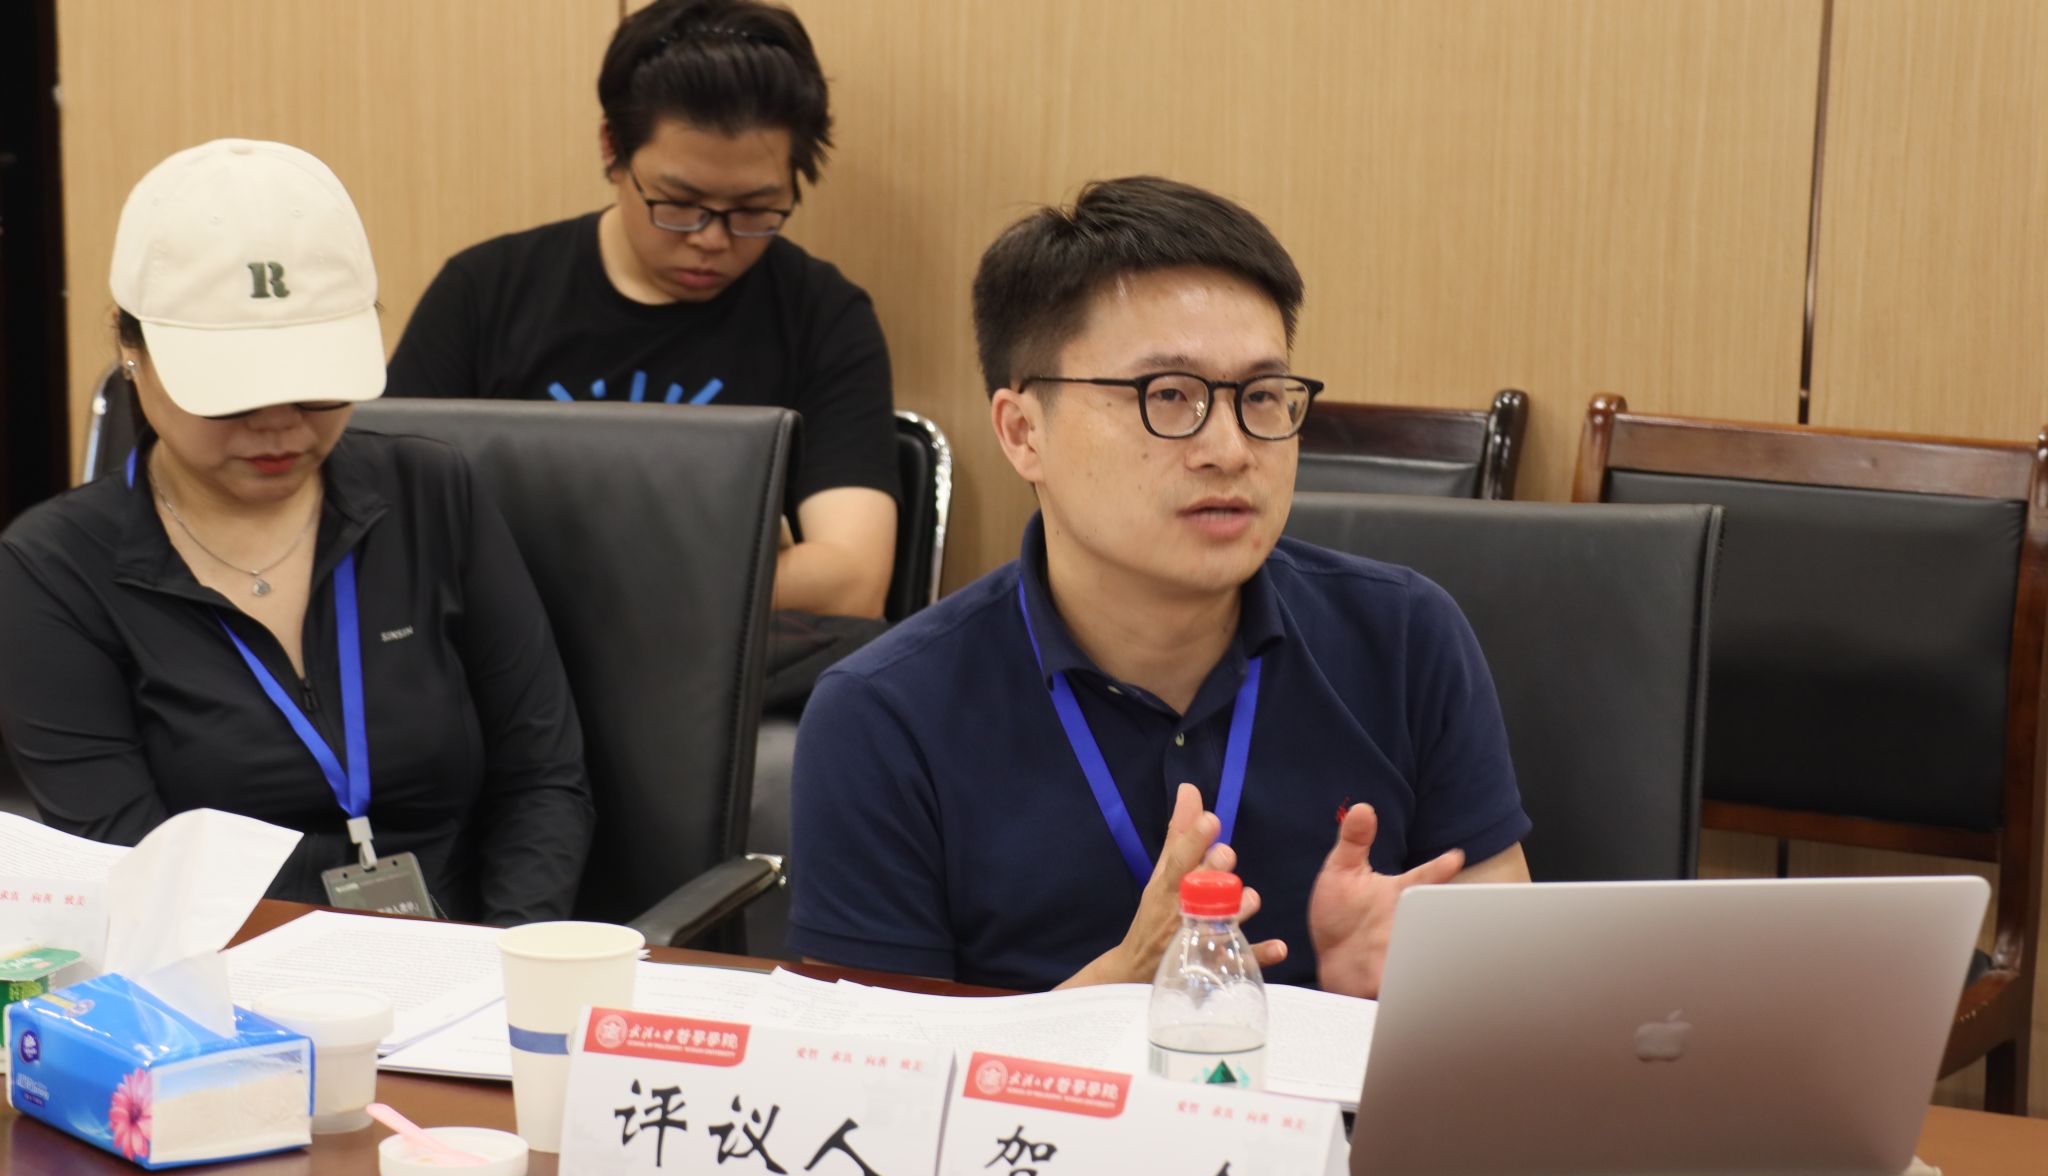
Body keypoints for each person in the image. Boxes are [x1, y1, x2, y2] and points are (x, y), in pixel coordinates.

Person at [787, 176, 1531, 995]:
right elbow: (880, 1063)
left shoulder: (1406, 637)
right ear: (1023, 431)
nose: (1231, 449)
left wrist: (1393, 995)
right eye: (1168, 396)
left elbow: (1509, 989)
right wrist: (1123, 983)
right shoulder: (883, 717)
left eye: (1261, 396)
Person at [0, 138, 594, 925]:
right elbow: (130, 870)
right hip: (220, 975)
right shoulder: (54, 570)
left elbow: (542, 780)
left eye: (314, 384)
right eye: (233, 393)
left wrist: (506, 961)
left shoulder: (432, 496)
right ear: (129, 347)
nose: (279, 424)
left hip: (463, 962)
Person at [387, 0, 899, 634]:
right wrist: (716, 576)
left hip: (722, 672)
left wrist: (571, 582)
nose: (712, 239)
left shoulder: (824, 315)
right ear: (613, 150)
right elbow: (390, 528)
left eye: (754, 210)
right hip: (504, 656)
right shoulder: (484, 292)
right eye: (679, 203)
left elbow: (853, 583)